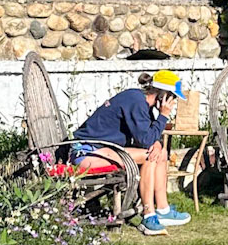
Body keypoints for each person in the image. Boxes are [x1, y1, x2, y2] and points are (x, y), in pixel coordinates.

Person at [72, 69, 191, 235]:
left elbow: (146, 136)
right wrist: (163, 116)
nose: (173, 103)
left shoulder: (141, 102)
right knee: (150, 156)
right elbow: (145, 140)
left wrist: (156, 143)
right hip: (87, 153)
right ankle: (148, 216)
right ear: (163, 95)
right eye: (173, 98)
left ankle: (163, 210)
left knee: (160, 153)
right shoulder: (136, 102)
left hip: (105, 149)